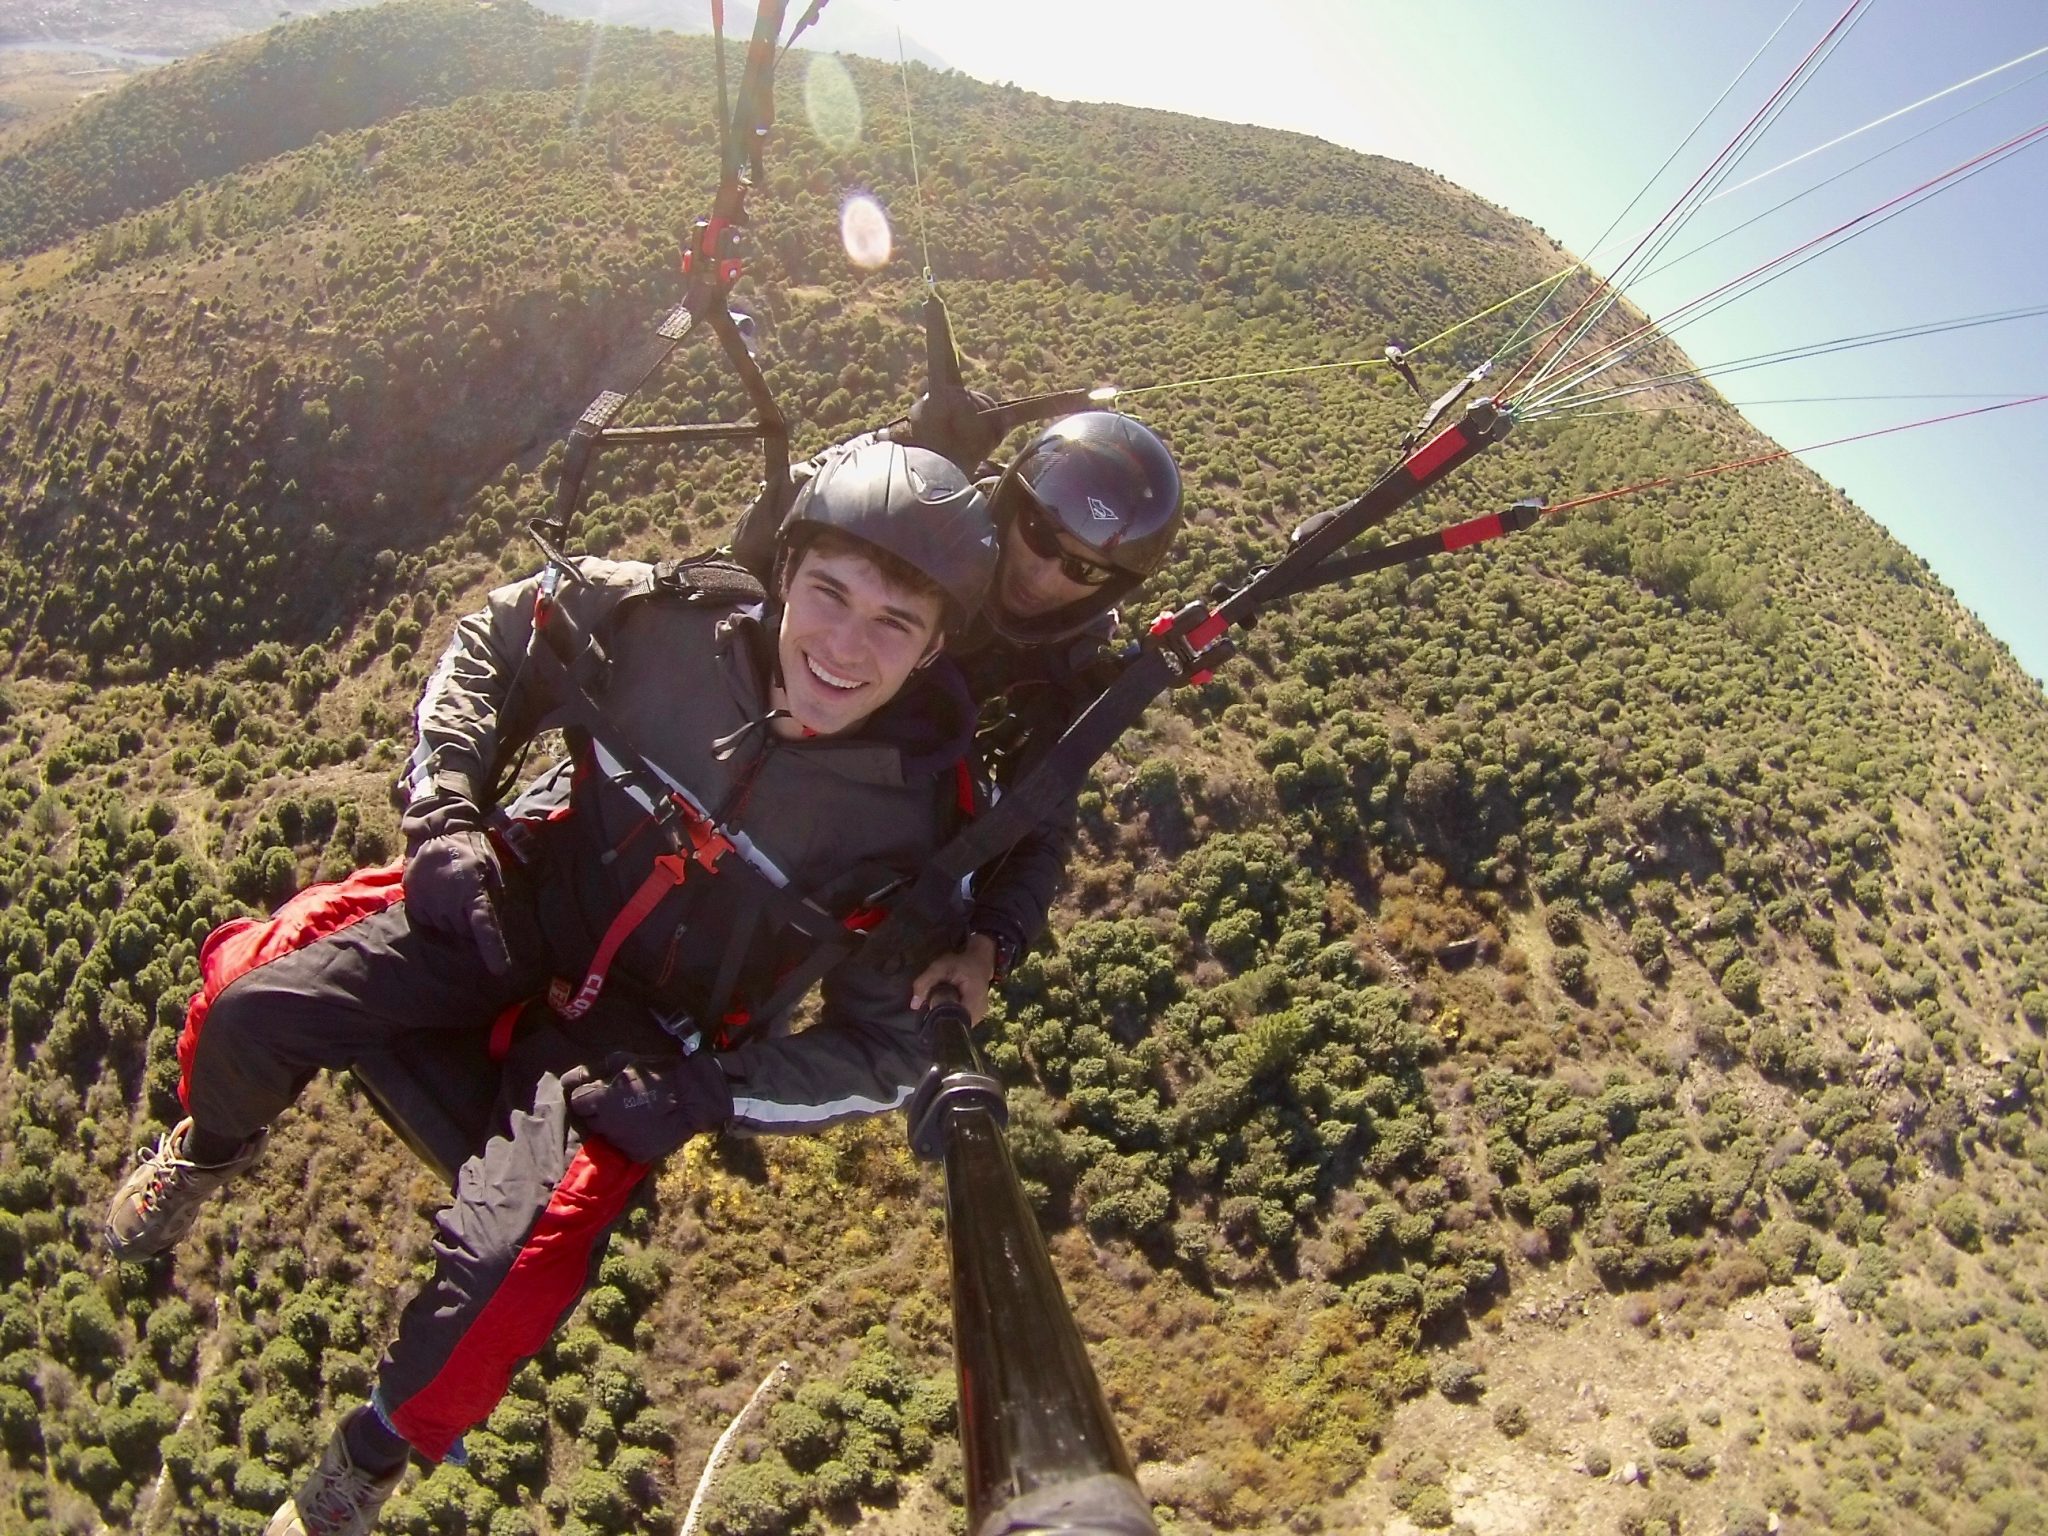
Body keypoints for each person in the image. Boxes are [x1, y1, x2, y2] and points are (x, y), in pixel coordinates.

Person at [108, 445, 1001, 1536]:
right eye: (828, 594)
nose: (842, 648)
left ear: (934, 645)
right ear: (784, 569)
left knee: (506, 1270)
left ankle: (367, 1457)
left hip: (636, 1044)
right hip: (521, 905)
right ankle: (208, 1151)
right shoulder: (657, 624)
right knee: (255, 1005)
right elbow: (495, 636)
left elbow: (888, 1052)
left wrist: (713, 1095)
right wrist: (443, 816)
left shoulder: (920, 825)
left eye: (891, 625)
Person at [735, 407, 1185, 1025]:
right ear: (1008, 501)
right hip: (739, 756)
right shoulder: (922, 528)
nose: (1044, 573)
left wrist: (987, 949)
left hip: (838, 855)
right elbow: (758, 565)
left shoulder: (1062, 681)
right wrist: (898, 443)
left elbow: (1040, 829)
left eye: (1082, 568)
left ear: (1109, 587)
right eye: (1039, 532)